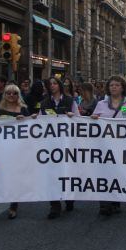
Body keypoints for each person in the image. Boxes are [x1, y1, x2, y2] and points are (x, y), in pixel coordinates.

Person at [91, 76, 126, 216]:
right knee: (103, 173)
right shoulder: (102, 104)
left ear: (122, 87)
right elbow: (93, 121)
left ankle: (116, 201)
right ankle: (104, 203)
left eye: (117, 85)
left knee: (117, 173)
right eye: (111, 85)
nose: (113, 87)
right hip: (104, 145)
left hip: (121, 146)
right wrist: (93, 119)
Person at [0, 84, 33, 219]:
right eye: (8, 93)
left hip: (18, 149)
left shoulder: (23, 109)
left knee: (15, 176)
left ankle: (14, 204)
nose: (11, 96)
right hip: (3, 149)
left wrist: (24, 120)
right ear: (4, 95)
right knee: (3, 174)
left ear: (18, 95)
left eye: (14, 93)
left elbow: (31, 127)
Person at [40, 77, 79, 219]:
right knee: (52, 174)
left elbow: (78, 118)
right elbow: (40, 121)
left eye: (55, 83)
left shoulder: (70, 101)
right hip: (51, 144)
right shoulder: (44, 103)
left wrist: (72, 116)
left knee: (67, 172)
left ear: (60, 86)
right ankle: (54, 205)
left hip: (67, 143)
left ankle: (69, 197)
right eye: (50, 84)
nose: (52, 86)